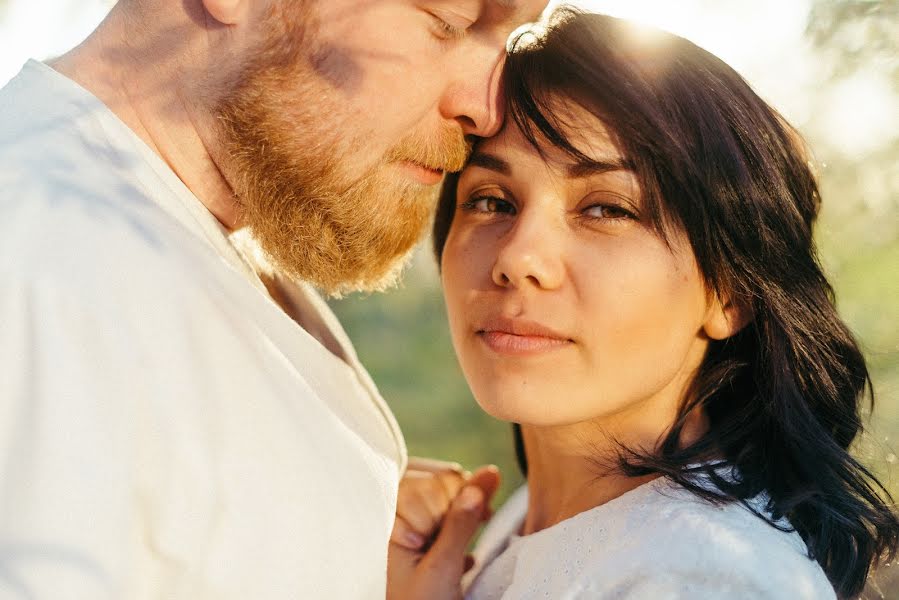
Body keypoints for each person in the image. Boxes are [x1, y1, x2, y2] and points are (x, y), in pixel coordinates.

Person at [0, 0, 547, 598]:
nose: (487, 109)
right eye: (450, 22)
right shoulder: (42, 267)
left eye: (512, 43)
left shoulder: (160, 234)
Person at [388, 8, 899, 599]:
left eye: (606, 209)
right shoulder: (535, 523)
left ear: (730, 293)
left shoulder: (705, 576)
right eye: (491, 200)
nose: (518, 257)